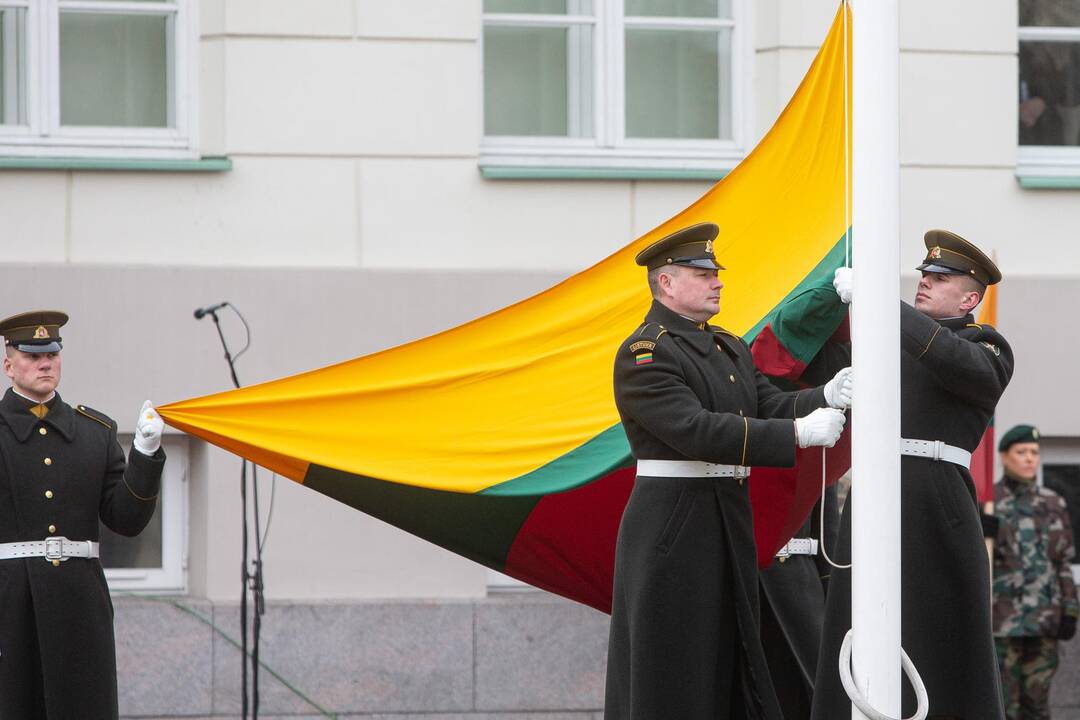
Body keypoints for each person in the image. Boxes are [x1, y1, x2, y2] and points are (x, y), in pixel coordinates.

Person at [604, 222, 852, 720]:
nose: (717, 281)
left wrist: (821, 397)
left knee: (731, 654)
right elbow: (694, 430)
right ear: (666, 283)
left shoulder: (726, 345)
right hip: (674, 523)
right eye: (703, 273)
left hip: (726, 516)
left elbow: (765, 403)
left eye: (716, 271)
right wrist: (797, 435)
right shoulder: (644, 352)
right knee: (676, 662)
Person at [811, 230, 1014, 720]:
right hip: (875, 497)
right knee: (855, 627)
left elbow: (950, 358)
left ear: (970, 297)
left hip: (934, 504)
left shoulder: (986, 347)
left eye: (940, 278)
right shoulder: (893, 339)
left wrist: (881, 302)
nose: (925, 282)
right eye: (924, 274)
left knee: (939, 637)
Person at [0, 310, 166, 719]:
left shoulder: (95, 432)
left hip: (79, 605)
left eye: (52, 354)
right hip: (8, 603)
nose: (45, 363)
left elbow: (126, 520)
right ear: (9, 365)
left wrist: (144, 456)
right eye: (32, 355)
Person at [991, 424, 1078, 720]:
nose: (1030, 458)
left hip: (1044, 621)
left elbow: (1063, 562)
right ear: (1005, 456)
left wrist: (1070, 611)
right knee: (1004, 706)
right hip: (1001, 622)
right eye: (1022, 452)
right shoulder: (990, 502)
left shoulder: (1053, 503)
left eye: (1035, 453)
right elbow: (978, 563)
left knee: (1038, 708)